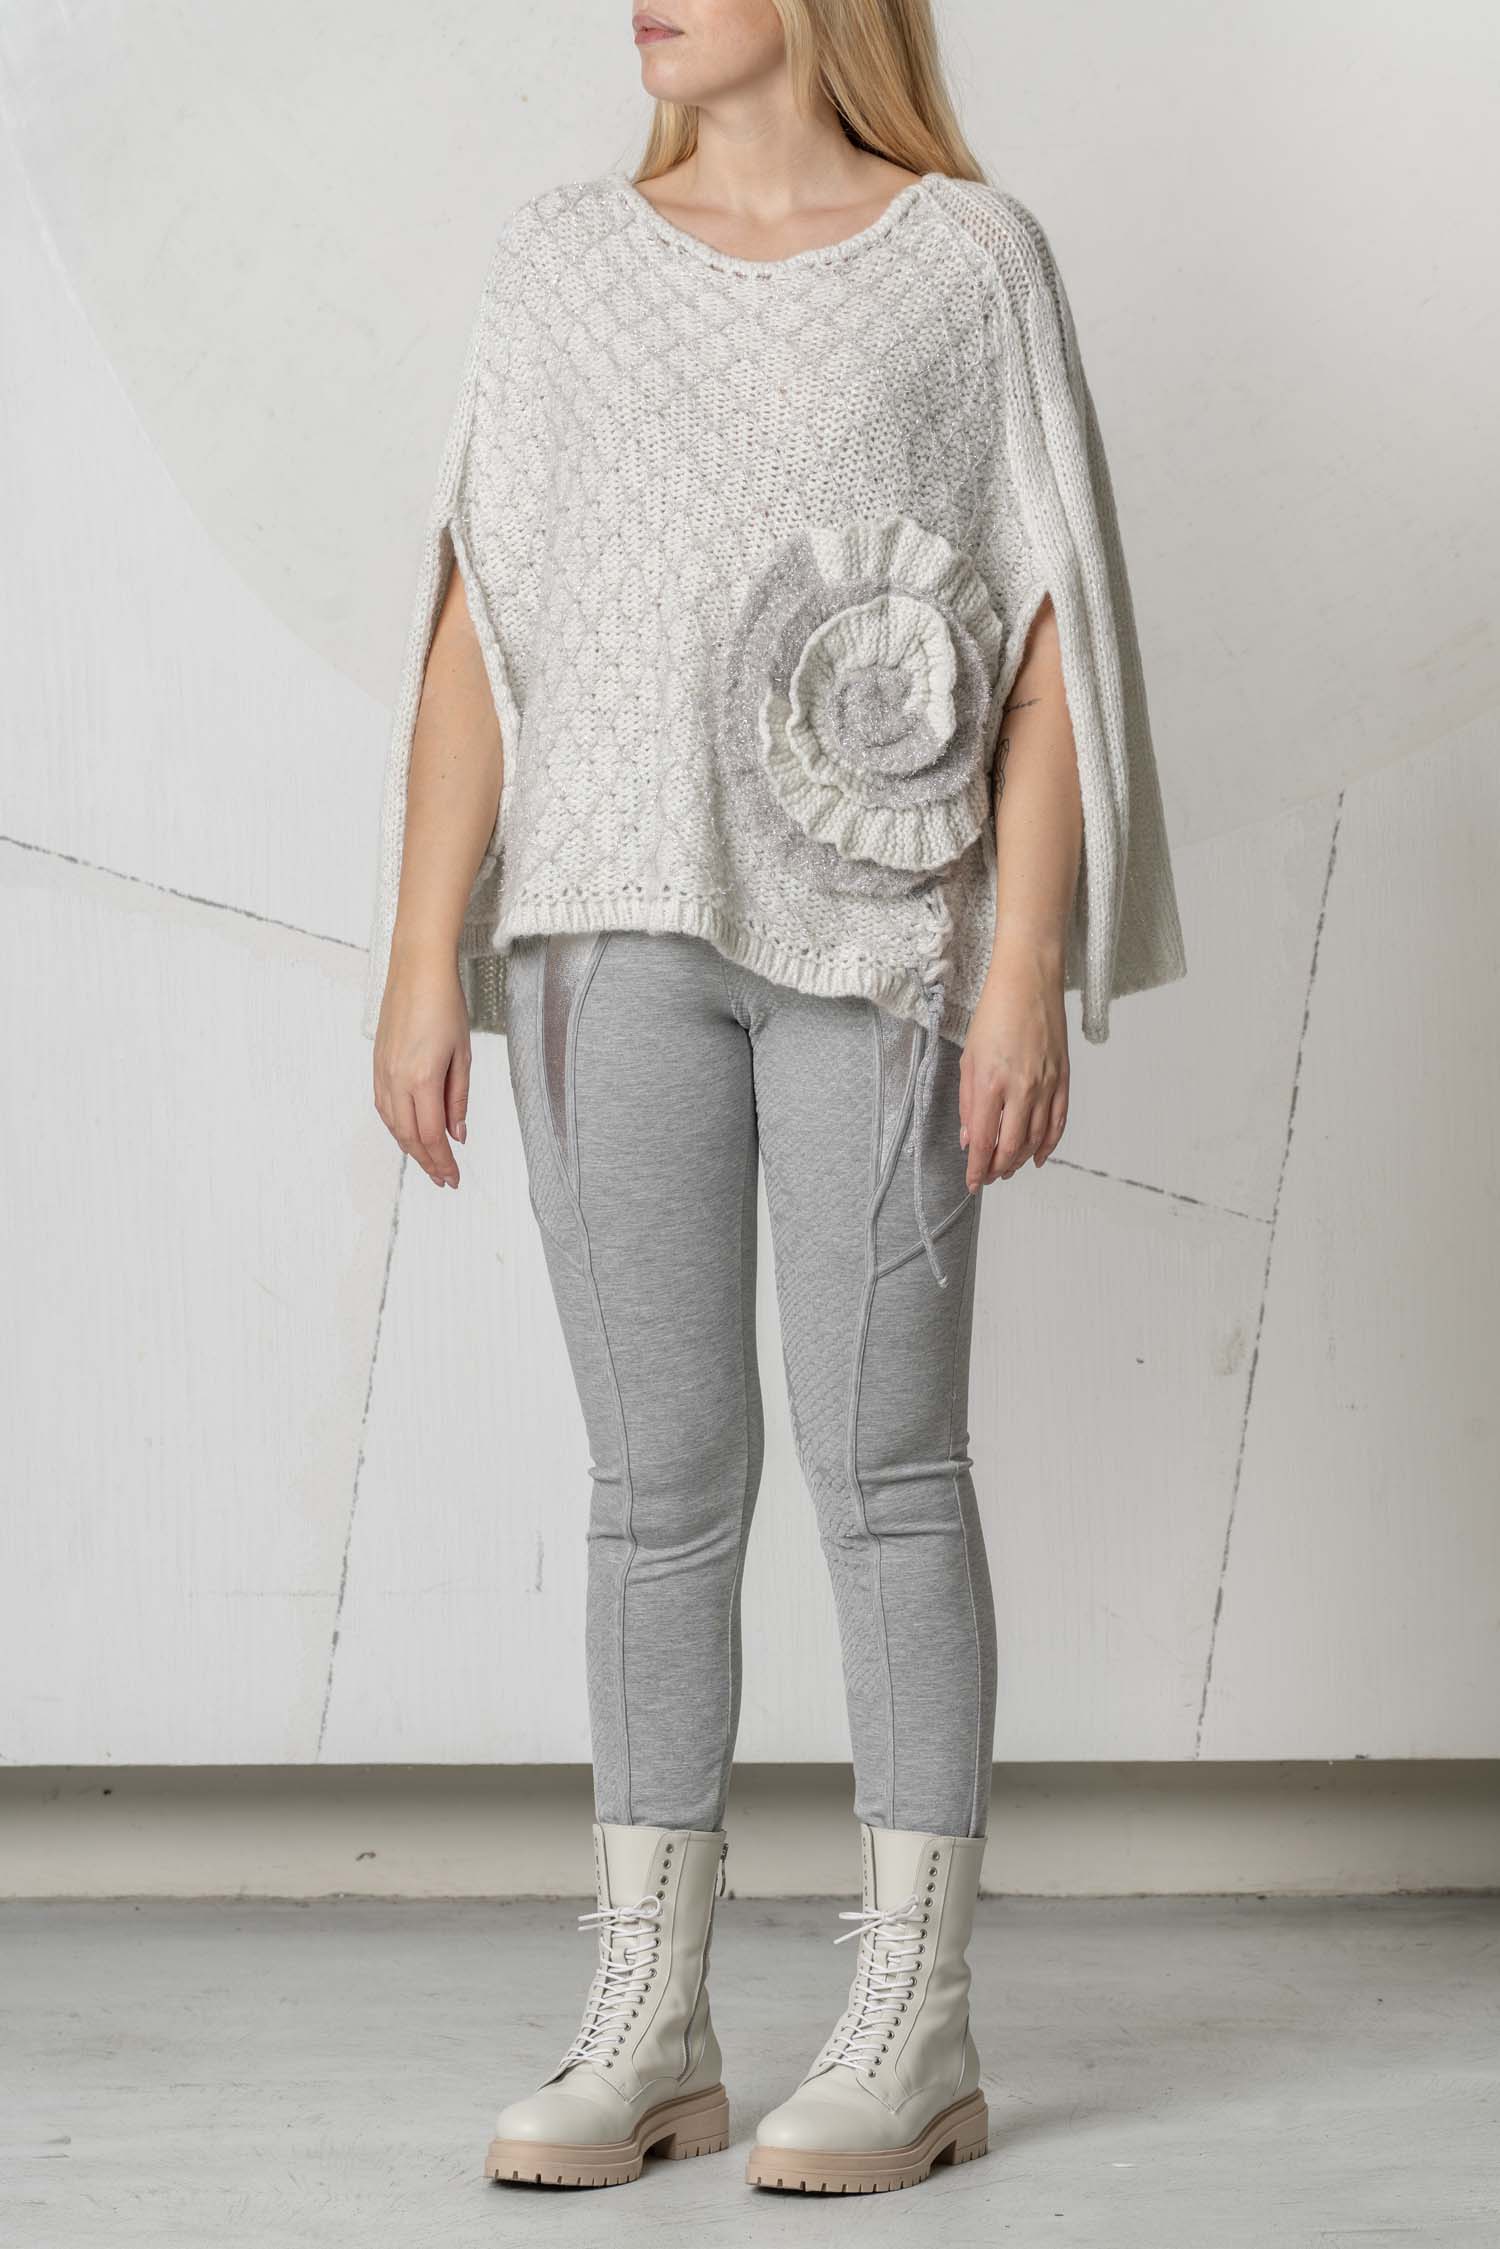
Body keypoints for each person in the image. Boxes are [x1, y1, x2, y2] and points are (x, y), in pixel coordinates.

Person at [362, 0, 1185, 2199]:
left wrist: (1023, 967)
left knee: (886, 1469)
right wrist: (422, 953)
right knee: (657, 1487)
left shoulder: (969, 263)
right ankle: (652, 2018)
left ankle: (918, 2021)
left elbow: (1050, 635)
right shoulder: (561, 260)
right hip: (601, 937)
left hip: (888, 946)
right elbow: (479, 623)